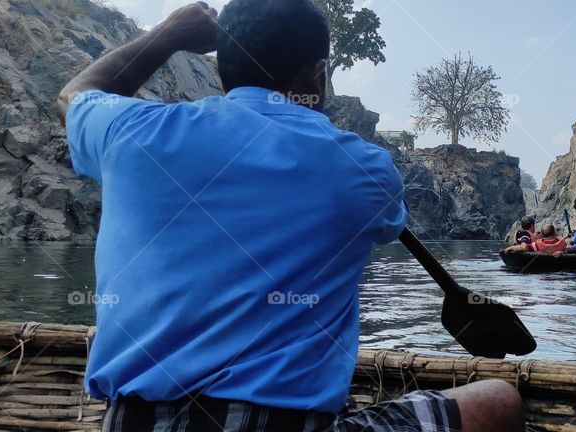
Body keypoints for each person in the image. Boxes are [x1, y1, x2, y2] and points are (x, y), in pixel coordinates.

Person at [56, 2, 523, 431]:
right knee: (499, 398)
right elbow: (383, 219)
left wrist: (169, 34)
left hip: (130, 421)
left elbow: (75, 93)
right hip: (282, 426)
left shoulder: (129, 133)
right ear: (319, 75)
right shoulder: (364, 170)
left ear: (222, 72)